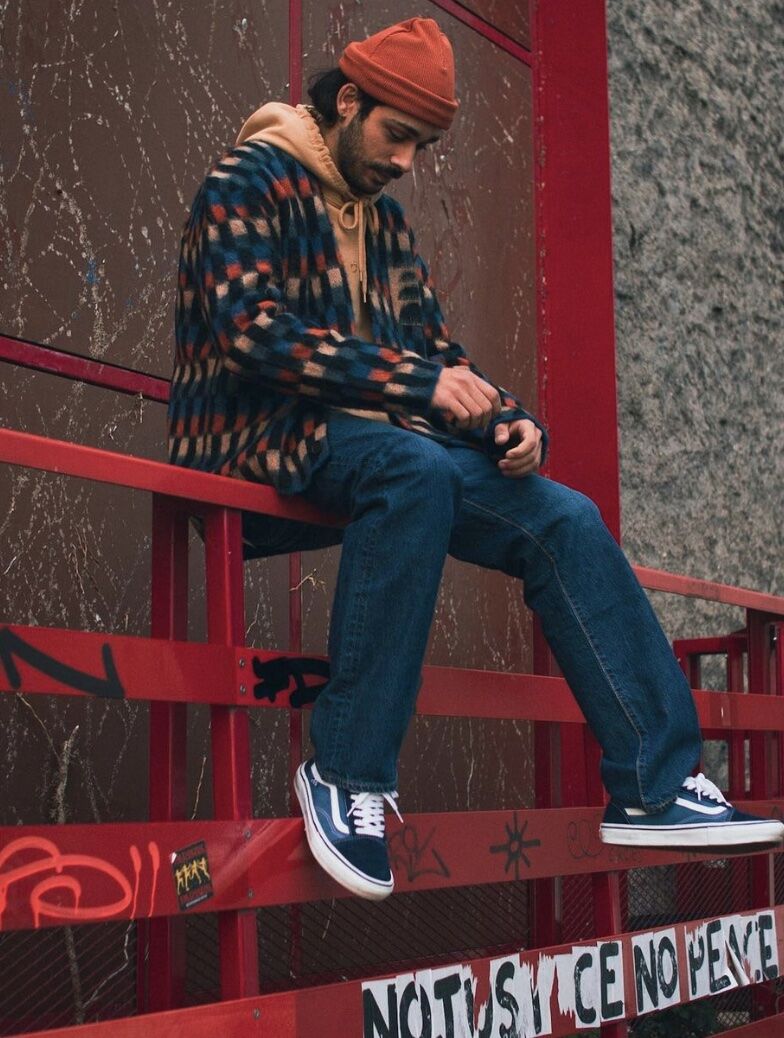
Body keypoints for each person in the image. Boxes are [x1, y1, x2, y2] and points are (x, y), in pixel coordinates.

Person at [168, 17, 783, 901]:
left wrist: (509, 423)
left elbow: (438, 353)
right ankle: (348, 774)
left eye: (423, 144)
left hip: (374, 448)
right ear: (348, 102)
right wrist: (418, 384)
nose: (408, 161)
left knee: (563, 516)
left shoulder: (383, 226)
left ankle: (654, 786)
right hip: (254, 438)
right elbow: (246, 332)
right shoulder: (247, 181)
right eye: (397, 136)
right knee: (410, 469)